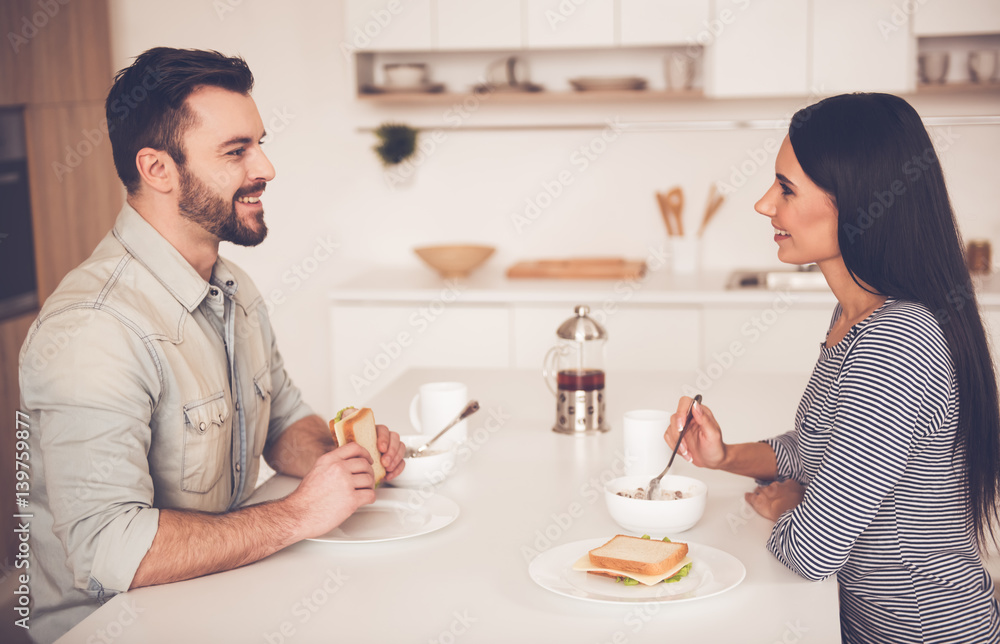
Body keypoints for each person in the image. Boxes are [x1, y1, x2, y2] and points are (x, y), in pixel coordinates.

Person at [18, 47, 405, 643]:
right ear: (158, 169)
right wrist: (302, 513)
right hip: (112, 628)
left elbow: (282, 423)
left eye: (259, 142)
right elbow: (107, 551)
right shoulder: (92, 329)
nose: (267, 167)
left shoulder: (234, 288)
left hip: (216, 592)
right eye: (236, 151)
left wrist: (345, 458)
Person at [666, 93, 1000, 643]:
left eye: (786, 188)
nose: (764, 204)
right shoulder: (857, 312)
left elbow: (812, 549)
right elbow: (821, 446)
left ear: (859, 202)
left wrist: (797, 502)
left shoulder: (900, 343)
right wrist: (725, 457)